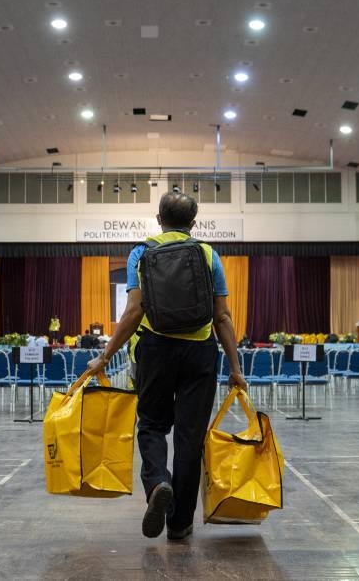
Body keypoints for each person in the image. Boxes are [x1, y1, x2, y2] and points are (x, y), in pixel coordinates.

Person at [87, 192, 246, 542]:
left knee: (152, 425)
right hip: (199, 353)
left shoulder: (141, 253)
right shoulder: (207, 254)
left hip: (155, 350)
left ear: (158, 219)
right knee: (190, 437)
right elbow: (222, 316)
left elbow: (134, 311)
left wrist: (105, 355)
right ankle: (179, 524)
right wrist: (236, 367)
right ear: (194, 223)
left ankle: (159, 481)